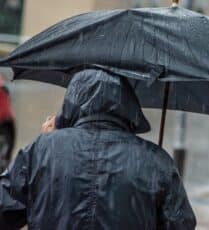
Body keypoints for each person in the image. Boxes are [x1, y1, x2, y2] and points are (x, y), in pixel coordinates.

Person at [0, 69, 196, 230]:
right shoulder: (157, 162)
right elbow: (180, 224)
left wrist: (45, 149)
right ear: (128, 108)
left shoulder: (42, 150)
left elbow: (5, 211)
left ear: (72, 104)